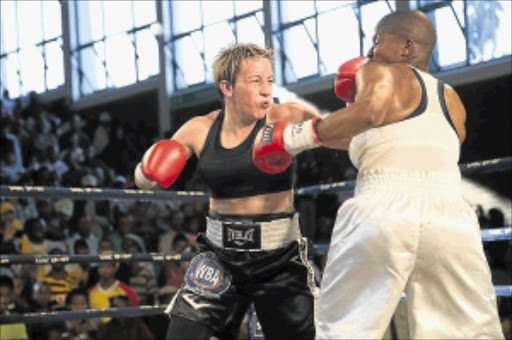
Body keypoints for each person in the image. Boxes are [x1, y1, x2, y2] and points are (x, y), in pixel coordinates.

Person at [252, 10, 504, 340]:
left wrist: (290, 137)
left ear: (406, 46)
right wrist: (309, 137)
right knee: (466, 332)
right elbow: (385, 135)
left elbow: (373, 112)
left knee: (346, 328)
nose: (369, 51)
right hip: (451, 218)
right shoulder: (452, 99)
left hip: (384, 208)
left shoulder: (380, 70)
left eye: (377, 40)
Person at [134, 43, 319, 340]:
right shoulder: (200, 128)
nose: (265, 89)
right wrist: (146, 171)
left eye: (269, 80)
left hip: (280, 256)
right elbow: (145, 178)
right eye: (255, 80)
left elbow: (341, 135)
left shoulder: (287, 115)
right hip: (219, 257)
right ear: (227, 87)